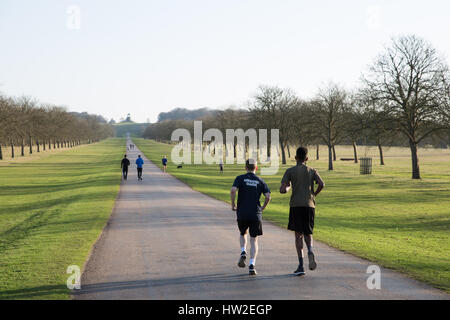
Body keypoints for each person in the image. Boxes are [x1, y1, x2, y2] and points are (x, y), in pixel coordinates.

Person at [280, 147, 325, 276]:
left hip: (296, 206)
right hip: (309, 205)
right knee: (308, 232)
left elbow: (283, 189)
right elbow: (322, 184)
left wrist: (286, 188)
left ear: (295, 158)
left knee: (298, 235)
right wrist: (314, 194)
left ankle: (301, 265)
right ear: (306, 158)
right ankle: (310, 249)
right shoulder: (312, 170)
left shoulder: (290, 171)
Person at [230, 159, 271, 275]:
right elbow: (268, 196)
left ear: (245, 167)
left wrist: (233, 204)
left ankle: (243, 251)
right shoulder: (260, 181)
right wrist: (262, 207)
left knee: (243, 233)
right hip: (255, 214)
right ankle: (252, 265)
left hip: (242, 212)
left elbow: (233, 190)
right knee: (254, 240)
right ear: (256, 168)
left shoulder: (240, 178)